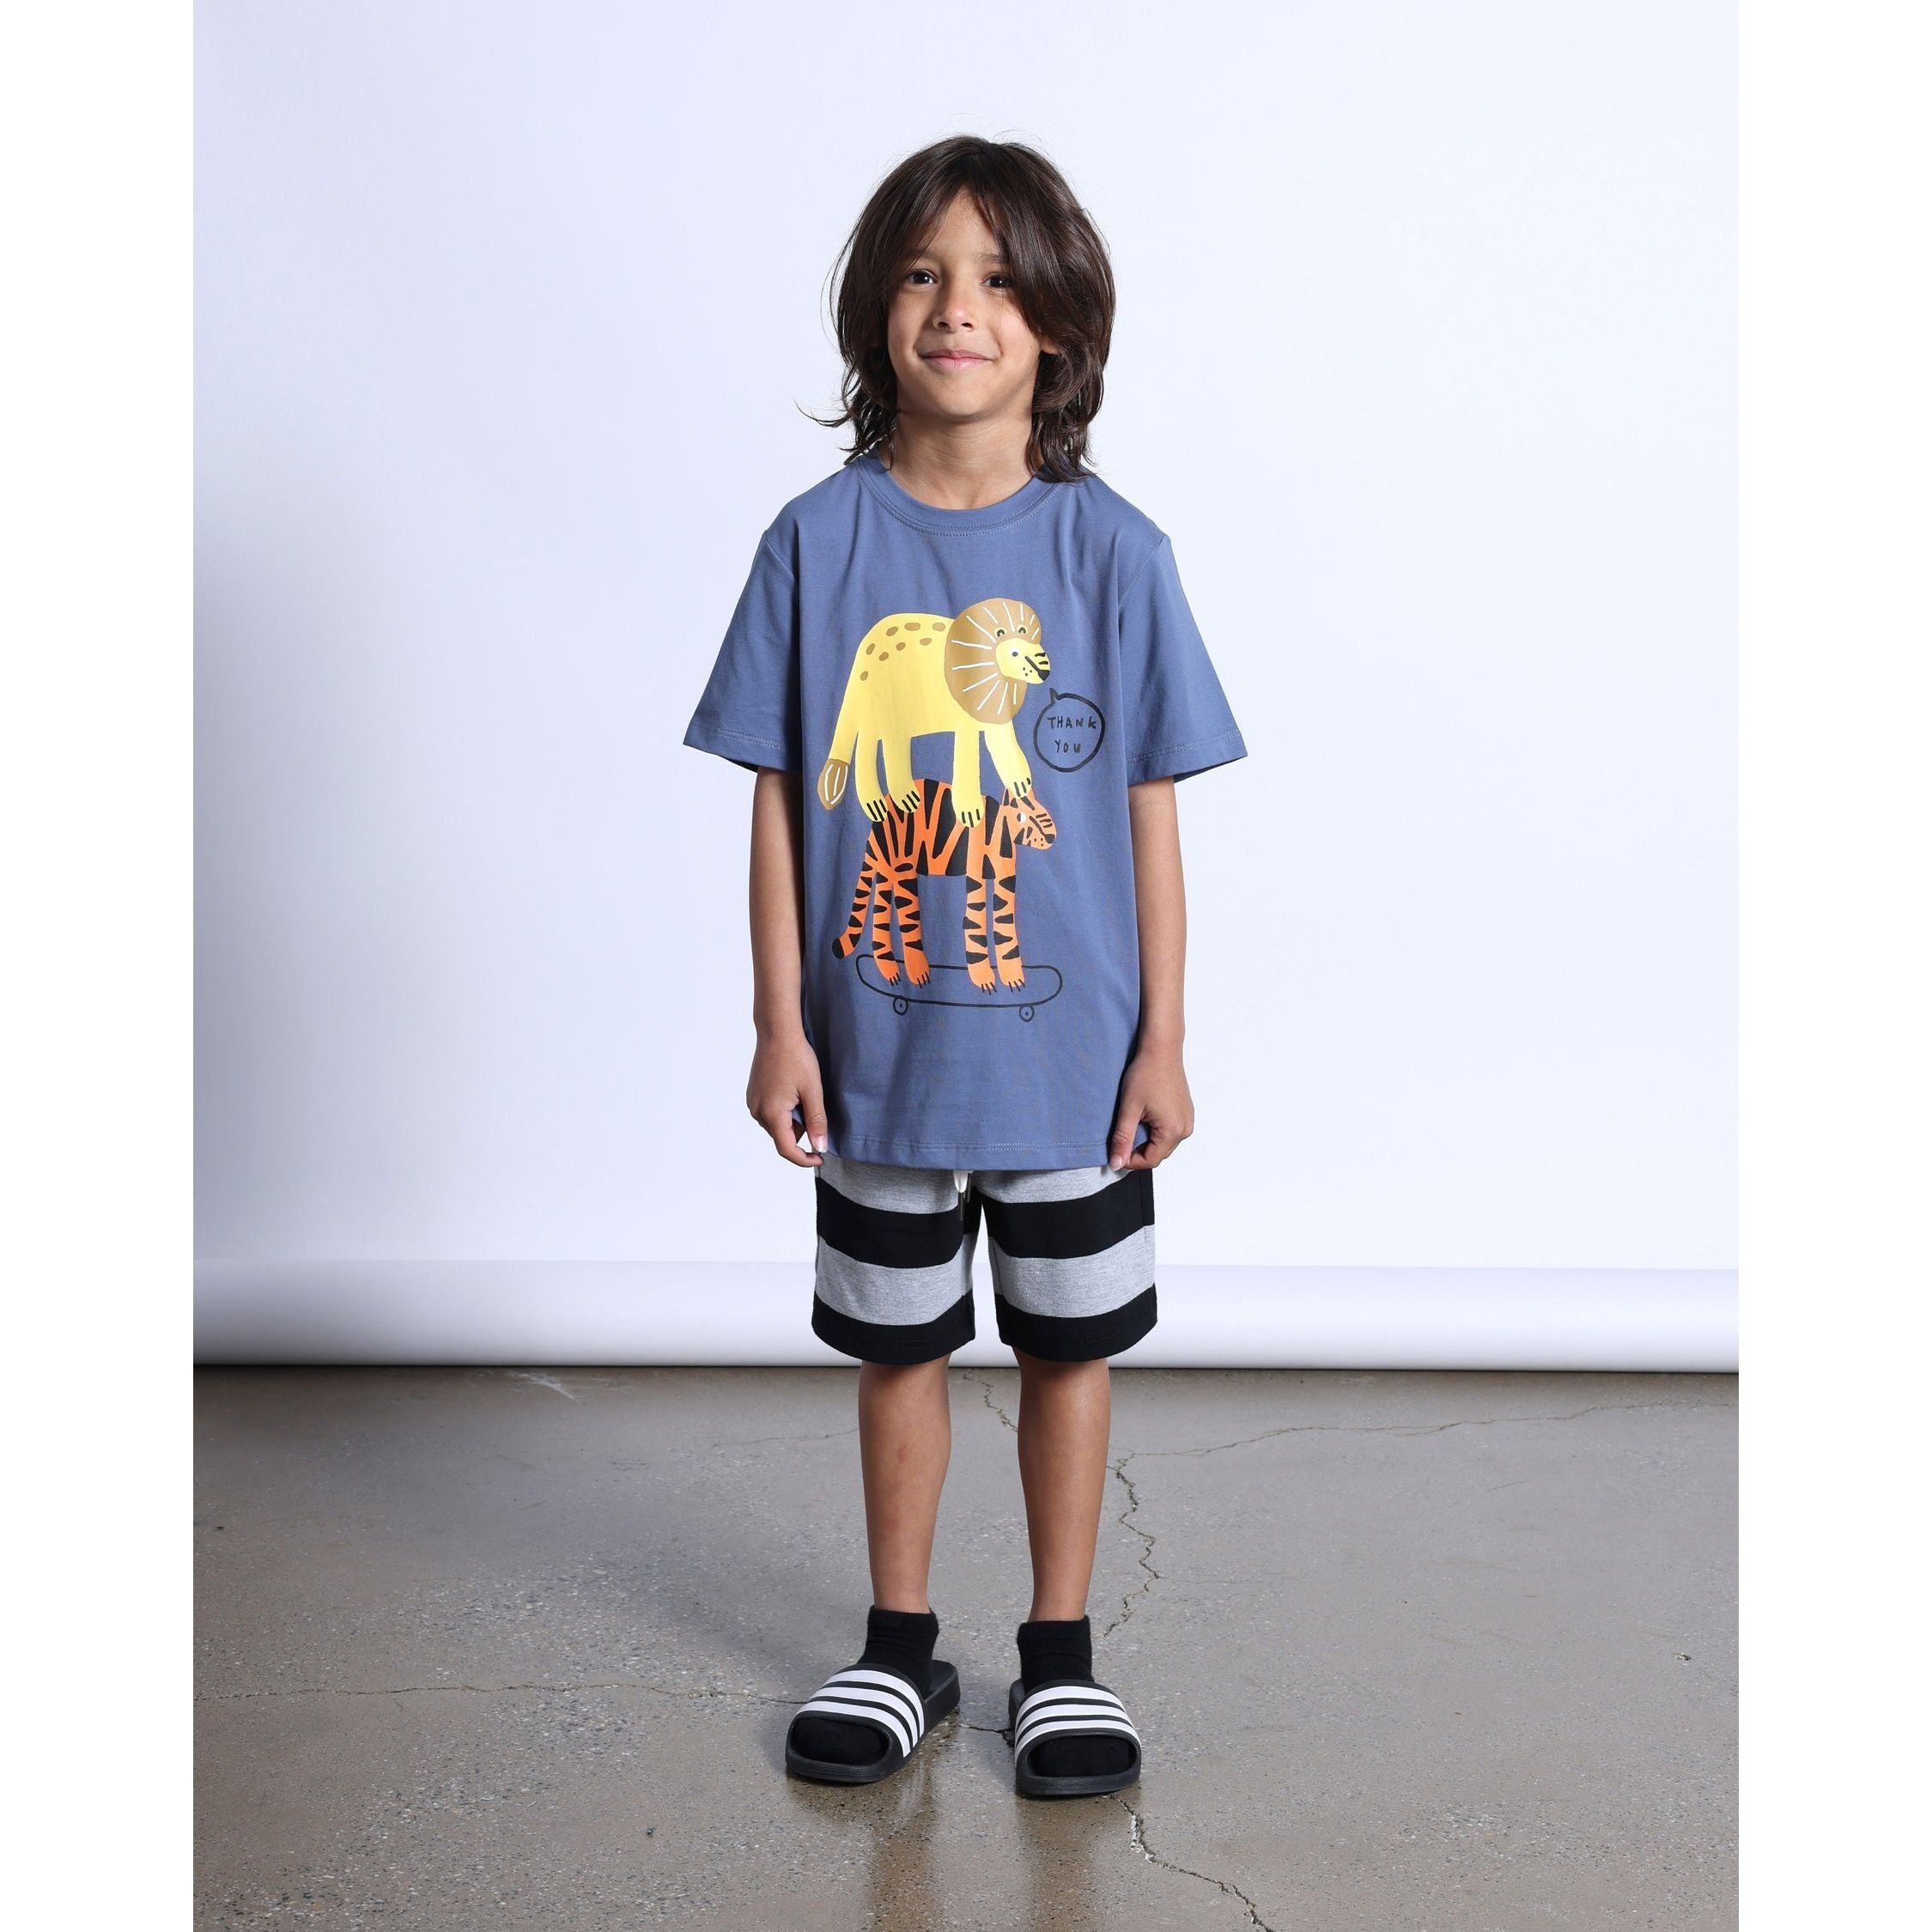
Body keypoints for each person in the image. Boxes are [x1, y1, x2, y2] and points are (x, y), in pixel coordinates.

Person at [681, 136, 1247, 1798]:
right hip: (878, 1062)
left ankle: (1060, 1652)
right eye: (925, 274)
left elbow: (1148, 813)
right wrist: (780, 1022)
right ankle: (901, 1642)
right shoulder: (813, 546)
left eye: (999, 280)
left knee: (1071, 1348)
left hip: (1074, 1066)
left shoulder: (1115, 556)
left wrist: (1165, 1040)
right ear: (877, 310)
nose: (958, 308)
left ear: (1057, 322)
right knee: (898, 1348)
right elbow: (779, 797)